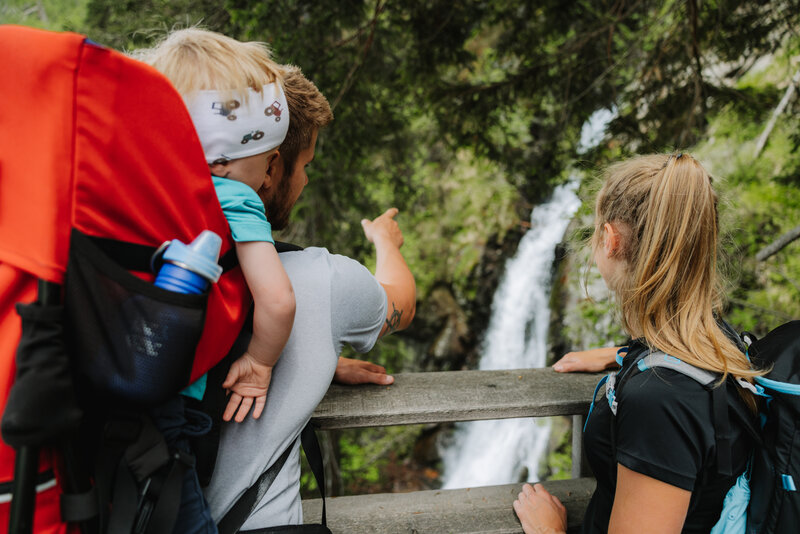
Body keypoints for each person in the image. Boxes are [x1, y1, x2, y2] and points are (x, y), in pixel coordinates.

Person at [202, 64, 415, 529]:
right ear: (271, 166)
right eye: (306, 166)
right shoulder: (320, 277)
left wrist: (314, 361)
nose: (305, 181)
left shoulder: (170, 259)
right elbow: (402, 303)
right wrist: (385, 242)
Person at [514, 153, 763, 533]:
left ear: (610, 240)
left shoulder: (659, 401)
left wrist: (549, 529)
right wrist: (623, 356)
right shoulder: (719, 339)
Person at [141, 28, 296, 423]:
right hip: (173, 390)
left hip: (106, 363)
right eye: (267, 161)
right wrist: (260, 363)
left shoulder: (139, 185)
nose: (268, 175)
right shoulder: (232, 195)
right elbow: (278, 301)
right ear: (223, 162)